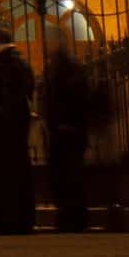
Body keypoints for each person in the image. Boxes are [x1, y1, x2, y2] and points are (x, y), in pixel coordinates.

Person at [0, 25, 36, 235]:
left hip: (2, 127)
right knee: (21, 171)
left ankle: (7, 220)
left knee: (4, 175)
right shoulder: (22, 62)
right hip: (19, 124)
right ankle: (25, 219)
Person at [40, 38, 92, 232]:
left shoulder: (62, 73)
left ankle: (70, 217)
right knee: (70, 176)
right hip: (70, 132)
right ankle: (73, 216)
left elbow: (63, 102)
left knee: (67, 176)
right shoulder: (71, 71)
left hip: (65, 132)